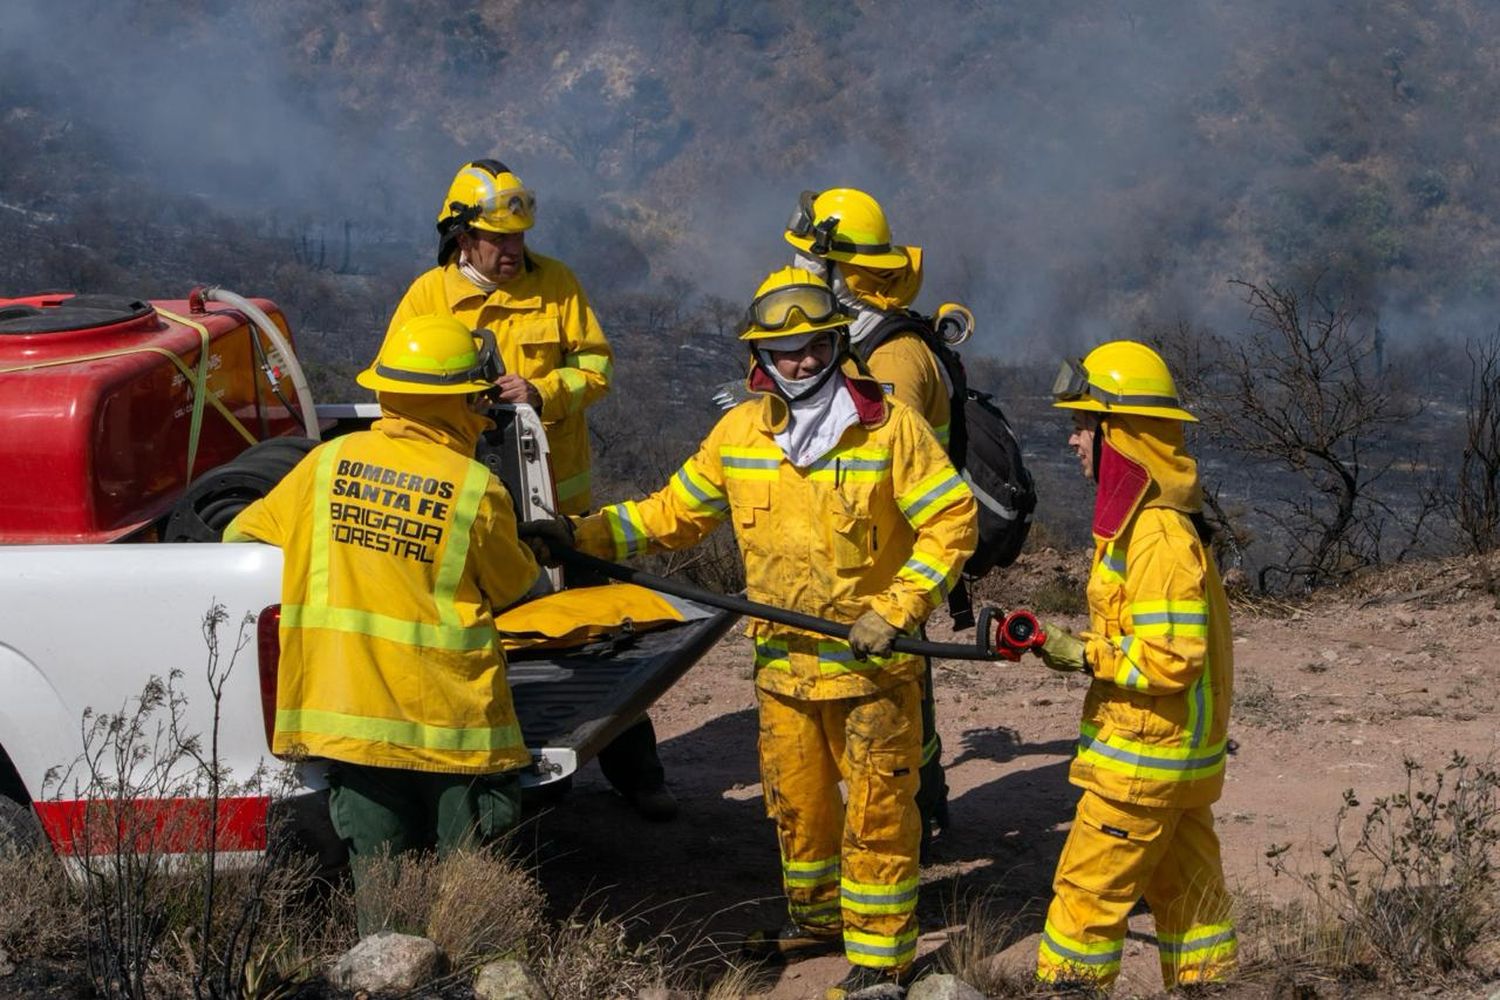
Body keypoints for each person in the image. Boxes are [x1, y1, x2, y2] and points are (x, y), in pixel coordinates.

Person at [532, 267, 977, 997]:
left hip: (870, 668)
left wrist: (898, 608)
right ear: (758, 359)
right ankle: (817, 919)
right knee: (798, 808)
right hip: (783, 670)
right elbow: (671, 512)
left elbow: (951, 521)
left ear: (837, 344)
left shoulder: (889, 428)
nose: (800, 362)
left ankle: (882, 955)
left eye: (813, 346)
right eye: (784, 350)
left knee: (876, 810)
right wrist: (580, 534)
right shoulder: (741, 433)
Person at [224, 314, 541, 916]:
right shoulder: (474, 488)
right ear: (458, 402)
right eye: (477, 394)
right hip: (454, 730)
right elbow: (514, 586)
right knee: (468, 895)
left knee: (382, 894)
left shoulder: (324, 465)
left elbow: (244, 533)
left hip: (351, 722)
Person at [388, 158, 674, 821]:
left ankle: (640, 775)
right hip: (471, 510)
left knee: (597, 633)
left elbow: (597, 366)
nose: (514, 250)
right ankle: (534, 784)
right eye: (499, 239)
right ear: (463, 239)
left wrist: (544, 390)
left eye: (519, 237)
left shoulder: (558, 285)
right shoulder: (427, 299)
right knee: (499, 645)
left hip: (560, 510)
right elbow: (397, 389)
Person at [1026, 340, 1237, 990]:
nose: (1073, 441)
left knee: (1084, 900)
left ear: (1120, 433)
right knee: (1193, 904)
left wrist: (1079, 652)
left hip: (1143, 764)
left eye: (1083, 426)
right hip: (1173, 764)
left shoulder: (1157, 538)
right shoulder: (1150, 524)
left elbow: (1171, 661)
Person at [785, 187, 954, 852]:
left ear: (838, 271)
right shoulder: (849, 338)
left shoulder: (890, 358)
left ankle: (919, 823)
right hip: (846, 561)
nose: (796, 274)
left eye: (807, 265)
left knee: (900, 705)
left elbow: (891, 467)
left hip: (891, 568)